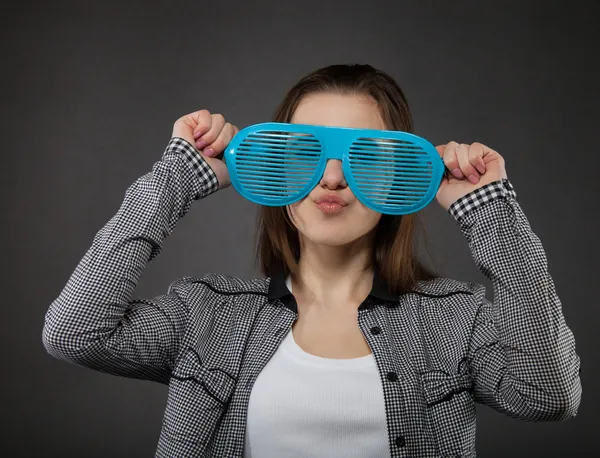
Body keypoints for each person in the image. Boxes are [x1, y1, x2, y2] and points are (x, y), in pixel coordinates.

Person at [42, 64, 582, 458]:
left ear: (395, 175)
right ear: (274, 169)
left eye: (362, 155)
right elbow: (74, 333)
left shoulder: (453, 324)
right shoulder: (205, 315)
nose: (331, 177)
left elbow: (549, 394)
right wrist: (173, 183)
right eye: (303, 152)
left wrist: (490, 213)